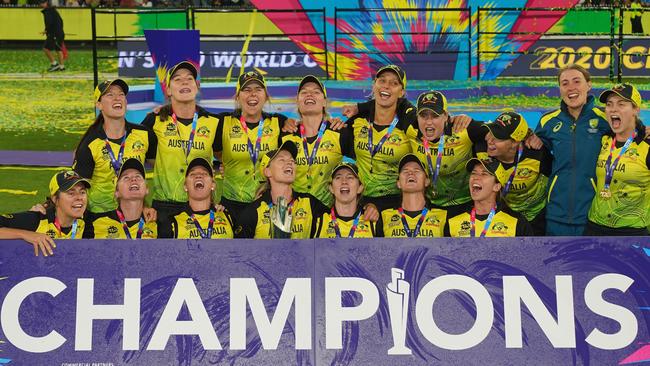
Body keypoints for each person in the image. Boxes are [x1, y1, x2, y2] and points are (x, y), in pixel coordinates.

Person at [534, 64, 611, 236]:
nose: (571, 88)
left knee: (589, 263)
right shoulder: (548, 121)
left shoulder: (605, 118)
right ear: (560, 88)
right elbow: (531, 149)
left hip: (592, 214)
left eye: (577, 81)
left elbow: (629, 134)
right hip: (556, 214)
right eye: (565, 83)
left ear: (588, 85)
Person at [142, 61, 220, 221]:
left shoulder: (213, 122)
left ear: (197, 86)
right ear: (168, 90)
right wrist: (141, 204)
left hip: (202, 206)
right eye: (177, 79)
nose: (184, 82)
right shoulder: (154, 120)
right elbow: (133, 158)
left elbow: (225, 156)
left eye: (189, 78)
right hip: (164, 208)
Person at [214, 70, 290, 220]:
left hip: (269, 203)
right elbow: (215, 150)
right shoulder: (223, 122)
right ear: (238, 96)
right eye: (247, 90)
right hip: (232, 205)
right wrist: (225, 162)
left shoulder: (279, 123)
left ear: (266, 96)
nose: (253, 94)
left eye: (258, 89)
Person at [74, 79, 155, 215]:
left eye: (121, 94)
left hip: (134, 214)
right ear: (99, 104)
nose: (117, 98)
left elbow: (161, 167)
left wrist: (146, 206)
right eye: (110, 95)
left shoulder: (144, 134)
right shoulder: (90, 144)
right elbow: (76, 186)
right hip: (99, 216)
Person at [343, 65, 414, 211]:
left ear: (401, 92)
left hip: (397, 204)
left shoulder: (407, 124)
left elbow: (429, 120)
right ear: (374, 85)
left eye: (394, 83)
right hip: (361, 202)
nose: (386, 86)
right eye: (382, 81)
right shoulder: (358, 120)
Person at [407, 90, 487, 216]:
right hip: (428, 207)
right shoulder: (411, 130)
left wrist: (528, 135)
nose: (428, 122)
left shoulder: (463, 130)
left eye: (435, 116)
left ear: (446, 116)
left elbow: (499, 131)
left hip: (464, 207)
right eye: (423, 116)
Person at [585, 83, 650, 236]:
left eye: (621, 104)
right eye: (609, 104)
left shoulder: (646, 145)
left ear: (635, 109)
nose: (613, 109)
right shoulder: (602, 140)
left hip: (632, 232)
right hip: (594, 228)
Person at [280, 75, 353, 207]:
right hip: (295, 214)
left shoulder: (339, 132)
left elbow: (366, 160)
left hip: (328, 216)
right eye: (304, 92)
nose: (309, 95)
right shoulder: (286, 134)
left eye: (316, 92)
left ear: (324, 102)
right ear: (297, 101)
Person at [476, 111, 551, 236]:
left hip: (535, 217)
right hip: (501, 218)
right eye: (491, 131)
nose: (489, 140)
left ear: (515, 142)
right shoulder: (480, 148)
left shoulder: (536, 154)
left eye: (498, 137)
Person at [238, 141, 327, 239]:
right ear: (267, 171)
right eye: (281, 160)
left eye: (292, 161)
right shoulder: (253, 212)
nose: (290, 162)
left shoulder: (310, 203)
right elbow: (240, 251)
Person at [0, 170, 89, 256]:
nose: (79, 197)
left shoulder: (86, 222)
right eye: (71, 193)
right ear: (55, 199)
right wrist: (26, 234)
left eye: (82, 192)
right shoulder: (36, 219)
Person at [444, 158, 534, 237]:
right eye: (474, 173)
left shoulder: (516, 222)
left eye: (484, 174)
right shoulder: (453, 219)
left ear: (497, 187)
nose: (475, 178)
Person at [160, 158, 235, 239]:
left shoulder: (228, 215)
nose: (198, 175)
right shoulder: (172, 221)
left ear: (213, 185)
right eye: (192, 174)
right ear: (185, 186)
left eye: (204, 173)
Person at [375, 154, 448, 238]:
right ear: (398, 183)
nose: (410, 173)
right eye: (405, 171)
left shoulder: (443, 215)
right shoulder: (383, 215)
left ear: (427, 181)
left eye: (416, 170)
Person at [83, 159, 157, 239]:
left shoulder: (157, 222)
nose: (133, 179)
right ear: (116, 192)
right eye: (126, 177)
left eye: (138, 176)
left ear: (147, 189)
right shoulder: (96, 224)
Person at [313, 160, 376, 238]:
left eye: (350, 177)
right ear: (331, 188)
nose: (344, 181)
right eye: (338, 177)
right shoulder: (318, 220)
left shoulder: (372, 219)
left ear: (360, 188)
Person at [40, 0, 66, 72]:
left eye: (43, 2)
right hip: (59, 33)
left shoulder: (48, 11)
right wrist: (60, 30)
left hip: (54, 34)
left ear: (47, 3)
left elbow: (49, 23)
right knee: (58, 49)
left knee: (45, 49)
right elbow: (60, 21)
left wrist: (47, 30)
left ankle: (54, 64)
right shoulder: (53, 11)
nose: (41, 4)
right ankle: (61, 66)